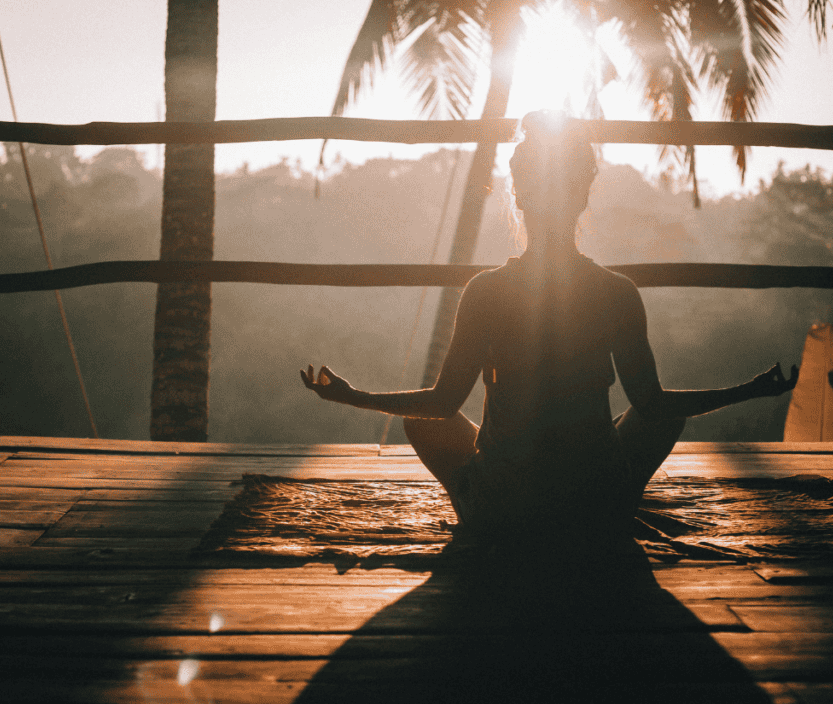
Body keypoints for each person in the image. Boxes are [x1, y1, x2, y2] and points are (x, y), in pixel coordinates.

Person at [301, 111, 797, 551]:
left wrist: (354, 395)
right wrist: (748, 390)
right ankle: (612, 500)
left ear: (518, 195)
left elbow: (442, 403)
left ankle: (477, 508)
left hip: (505, 508)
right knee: (661, 414)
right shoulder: (616, 291)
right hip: (594, 506)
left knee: (422, 421)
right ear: (583, 196)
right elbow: (653, 404)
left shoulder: (486, 291)